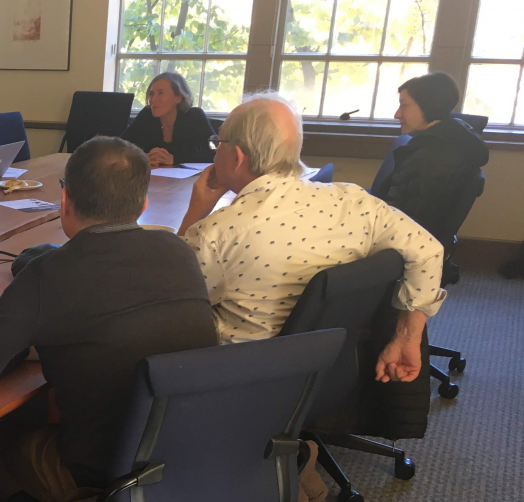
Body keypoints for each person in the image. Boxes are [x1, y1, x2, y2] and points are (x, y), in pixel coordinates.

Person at [0, 137, 217, 502]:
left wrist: (20, 349)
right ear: (142, 204)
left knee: (3, 442)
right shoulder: (179, 251)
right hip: (192, 449)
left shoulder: (48, 273)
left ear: (65, 200)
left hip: (108, 471)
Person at [178, 93, 446, 380]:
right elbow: (428, 251)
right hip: (329, 368)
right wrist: (407, 337)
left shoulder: (217, 235)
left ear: (237, 156)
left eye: (217, 143)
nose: (215, 151)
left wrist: (195, 212)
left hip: (236, 377)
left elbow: (170, 300)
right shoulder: (356, 202)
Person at [371, 72, 489, 241]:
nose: (397, 114)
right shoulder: (447, 143)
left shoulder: (432, 157)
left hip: (395, 244)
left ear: (429, 105)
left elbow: (408, 222)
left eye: (404, 105)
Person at [123, 71, 215, 167]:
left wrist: (176, 159)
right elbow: (119, 147)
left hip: (188, 180)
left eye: (161, 93)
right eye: (151, 94)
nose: (153, 99)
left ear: (178, 98)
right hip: (153, 178)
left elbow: (216, 154)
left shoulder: (195, 116)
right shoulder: (147, 115)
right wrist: (143, 157)